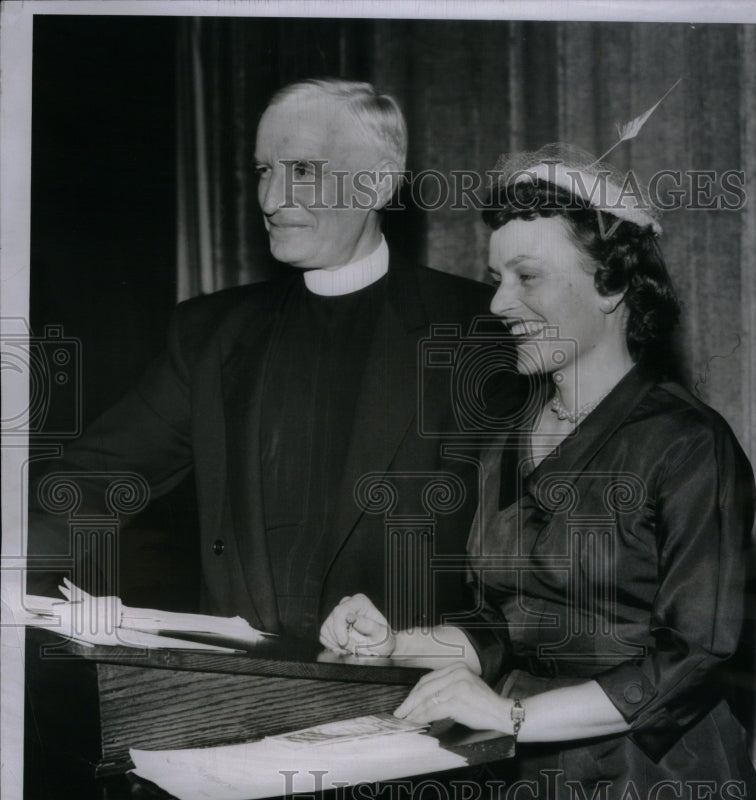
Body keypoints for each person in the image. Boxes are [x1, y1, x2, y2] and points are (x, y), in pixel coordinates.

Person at [319, 144, 756, 800]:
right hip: (505, 786)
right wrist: (398, 642)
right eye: (497, 278)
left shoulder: (686, 445)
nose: (498, 304)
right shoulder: (510, 437)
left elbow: (695, 650)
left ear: (612, 285)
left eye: (525, 277)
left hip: (644, 798)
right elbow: (506, 622)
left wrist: (513, 714)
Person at [27, 78, 493, 639]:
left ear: (377, 184)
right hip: (242, 695)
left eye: (301, 170)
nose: (271, 201)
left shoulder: (479, 330)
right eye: (263, 171)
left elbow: (529, 556)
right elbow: (92, 482)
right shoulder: (210, 334)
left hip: (410, 692)